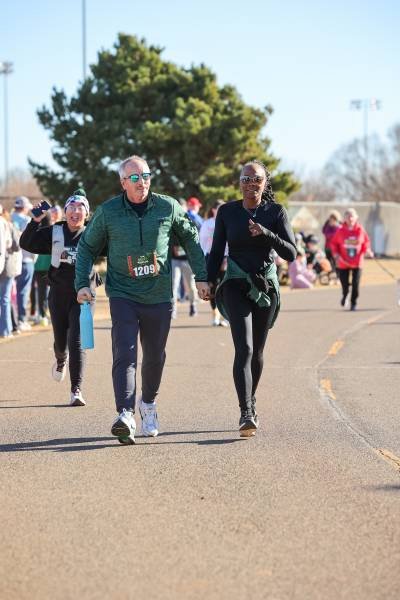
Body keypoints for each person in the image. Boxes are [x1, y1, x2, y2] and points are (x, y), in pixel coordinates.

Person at [75, 155, 209, 445]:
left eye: (146, 176)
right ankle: (125, 414)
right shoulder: (109, 212)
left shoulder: (167, 207)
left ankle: (147, 403)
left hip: (159, 295)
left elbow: (190, 239)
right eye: (135, 178)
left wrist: (201, 276)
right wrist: (82, 283)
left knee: (154, 356)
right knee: (125, 352)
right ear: (123, 182)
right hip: (122, 293)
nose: (142, 182)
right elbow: (86, 247)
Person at [207, 160, 296, 437]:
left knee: (257, 351)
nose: (251, 184)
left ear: (265, 182)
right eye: (245, 179)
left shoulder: (275, 212)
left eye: (256, 179)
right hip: (235, 283)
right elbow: (216, 251)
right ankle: (246, 411)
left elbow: (291, 253)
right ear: (239, 183)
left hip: (265, 287)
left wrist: (267, 233)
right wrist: (207, 280)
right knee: (243, 349)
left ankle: (251, 400)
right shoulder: (227, 212)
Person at [20, 190, 96, 406]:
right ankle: (61, 359)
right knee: (61, 343)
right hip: (58, 294)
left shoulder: (94, 233)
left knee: (77, 341)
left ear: (87, 214)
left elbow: (117, 248)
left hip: (84, 295)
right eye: (71, 208)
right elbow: (26, 243)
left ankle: (76, 390)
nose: (75, 212)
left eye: (80, 208)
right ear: (65, 212)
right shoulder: (55, 232)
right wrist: (35, 221)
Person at [330, 207, 373, 311]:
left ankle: (353, 303)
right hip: (343, 262)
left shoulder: (360, 230)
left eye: (352, 216)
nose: (350, 219)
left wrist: (367, 250)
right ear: (344, 218)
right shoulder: (340, 231)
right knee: (344, 284)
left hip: (357, 262)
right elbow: (333, 243)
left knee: (355, 284)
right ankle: (345, 294)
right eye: (348, 216)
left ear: (356, 217)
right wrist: (336, 254)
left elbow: (366, 242)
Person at [199, 200, 229, 327]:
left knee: (225, 286)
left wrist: (228, 257)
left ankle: (225, 316)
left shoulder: (229, 221)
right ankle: (215, 315)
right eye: (220, 208)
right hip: (211, 257)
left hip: (226, 257)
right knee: (213, 286)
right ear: (214, 210)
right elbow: (202, 241)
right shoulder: (208, 223)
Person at [11, 196, 37, 331]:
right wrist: (34, 258)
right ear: (25, 207)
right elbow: (32, 243)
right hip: (26, 261)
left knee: (9, 293)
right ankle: (21, 320)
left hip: (9, 262)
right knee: (23, 292)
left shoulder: (7, 218)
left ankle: (11, 321)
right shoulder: (27, 220)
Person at [171, 199, 199, 319]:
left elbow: (195, 240)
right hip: (174, 259)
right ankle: (173, 309)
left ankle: (193, 305)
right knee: (174, 284)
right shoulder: (170, 221)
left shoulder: (191, 221)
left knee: (191, 285)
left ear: (186, 208)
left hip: (187, 260)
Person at [0, 207, 22, 339]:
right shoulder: (9, 224)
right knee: (5, 299)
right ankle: (6, 330)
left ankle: (7, 328)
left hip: (6, 266)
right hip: (7, 266)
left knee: (4, 299)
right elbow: (16, 245)